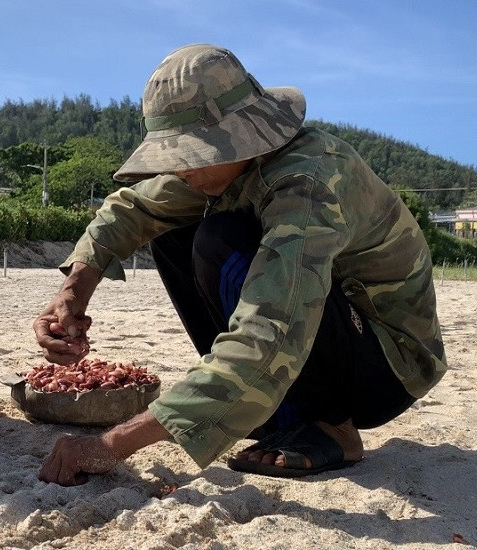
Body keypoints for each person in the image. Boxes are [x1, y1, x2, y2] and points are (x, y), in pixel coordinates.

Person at [35, 43, 446, 484]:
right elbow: (131, 209)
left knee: (218, 239)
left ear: (237, 137)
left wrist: (109, 446)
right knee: (173, 234)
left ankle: (333, 427)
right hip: (327, 341)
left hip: (387, 367)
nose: (180, 170)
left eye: (189, 155)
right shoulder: (230, 166)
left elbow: (270, 330)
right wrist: (73, 293)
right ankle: (279, 416)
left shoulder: (307, 186)